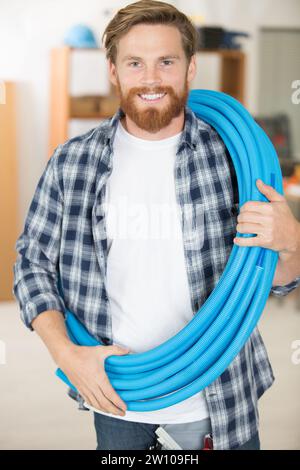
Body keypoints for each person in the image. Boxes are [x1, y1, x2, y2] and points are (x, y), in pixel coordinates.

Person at [13, 0, 300, 451]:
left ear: (190, 70)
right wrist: (67, 355)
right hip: (116, 395)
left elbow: (272, 279)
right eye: (135, 63)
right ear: (113, 71)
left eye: (166, 61)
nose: (150, 78)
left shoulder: (233, 159)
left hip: (217, 397)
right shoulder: (72, 163)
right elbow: (32, 264)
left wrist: (293, 243)